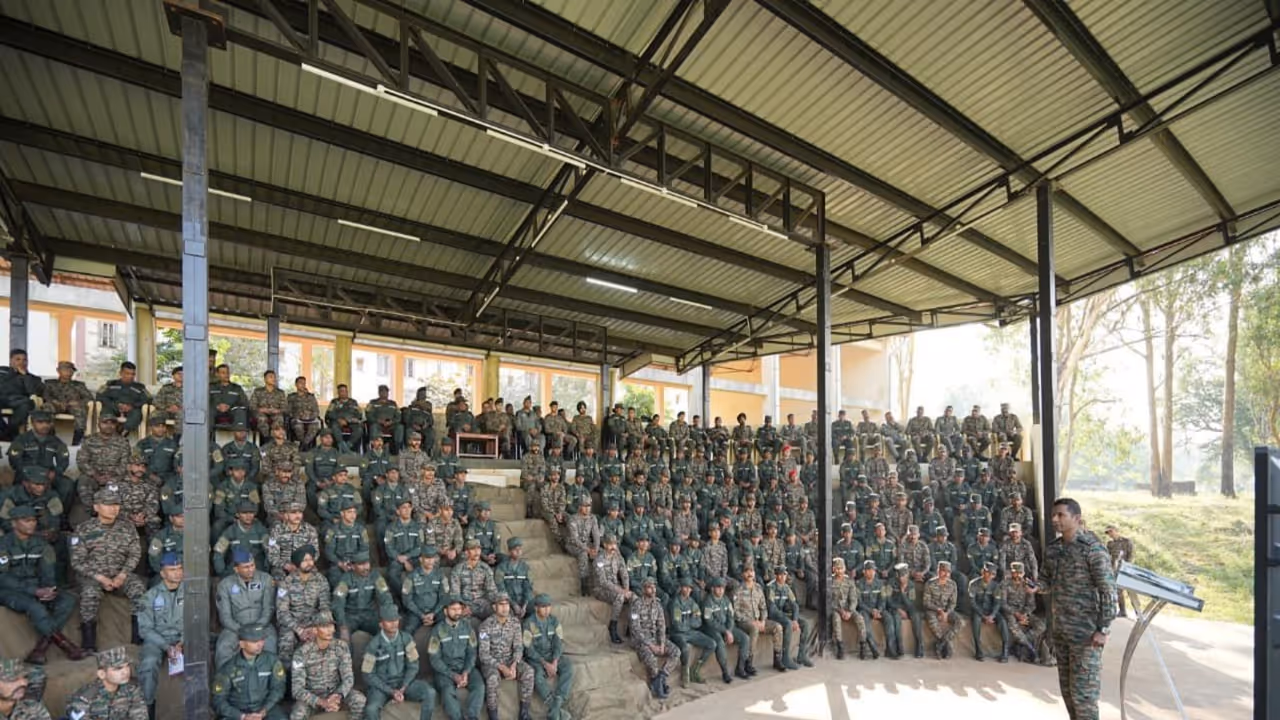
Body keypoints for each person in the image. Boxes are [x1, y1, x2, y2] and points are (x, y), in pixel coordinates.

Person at [1040, 498, 1116, 720]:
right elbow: (1046, 582)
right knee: (1069, 695)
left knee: (1084, 698)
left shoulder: (1093, 550)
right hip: (1062, 633)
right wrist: (1034, 586)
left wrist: (1103, 629)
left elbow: (1108, 591)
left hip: (1086, 636)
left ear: (1077, 518)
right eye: (1053, 515)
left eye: (1061, 515)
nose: (1055, 519)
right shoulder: (1054, 550)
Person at [0, 505, 84, 663]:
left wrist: (49, 590)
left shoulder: (42, 544)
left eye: (33, 520)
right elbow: (3, 578)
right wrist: (34, 591)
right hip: (9, 590)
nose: (32, 524)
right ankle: (67, 646)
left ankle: (40, 649)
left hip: (36, 588)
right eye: (26, 520)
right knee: (35, 607)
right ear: (13, 524)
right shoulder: (3, 545)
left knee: (68, 600)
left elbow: (48, 572)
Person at [70, 486, 146, 652]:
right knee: (90, 593)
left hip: (120, 574)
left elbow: (134, 554)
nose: (114, 508)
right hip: (93, 577)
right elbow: (77, 561)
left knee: (138, 588)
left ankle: (138, 637)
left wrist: (122, 575)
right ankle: (88, 643)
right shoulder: (84, 529)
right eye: (108, 504)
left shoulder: (127, 528)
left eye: (117, 504)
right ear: (96, 507)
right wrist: (100, 578)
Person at [361, 604, 437, 720]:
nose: (394, 623)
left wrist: (404, 685)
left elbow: (413, 665)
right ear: (381, 624)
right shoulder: (373, 645)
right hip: (382, 687)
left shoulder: (406, 639)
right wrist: (390, 691)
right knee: (371, 709)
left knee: (430, 692)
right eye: (389, 620)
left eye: (396, 620)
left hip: (404, 683)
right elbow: (368, 675)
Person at [291, 611, 366, 720]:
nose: (330, 630)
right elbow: (297, 689)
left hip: (336, 693)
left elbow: (348, 678)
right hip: (314, 697)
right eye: (325, 626)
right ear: (315, 630)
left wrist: (338, 696)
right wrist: (322, 702)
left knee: (360, 700)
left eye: (331, 626)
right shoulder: (301, 653)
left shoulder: (341, 647)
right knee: (297, 715)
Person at [136, 552, 184, 708]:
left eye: (179, 568)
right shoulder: (149, 597)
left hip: (185, 637)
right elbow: (145, 630)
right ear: (162, 573)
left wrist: (182, 642)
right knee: (149, 663)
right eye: (172, 569)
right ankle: (147, 709)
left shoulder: (192, 593)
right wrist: (166, 646)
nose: (177, 572)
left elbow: (197, 621)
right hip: (157, 640)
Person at [216, 549, 278, 669]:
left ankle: (268, 680)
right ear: (236, 569)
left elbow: (268, 609)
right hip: (236, 628)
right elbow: (225, 616)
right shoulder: (225, 585)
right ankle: (224, 681)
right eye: (246, 567)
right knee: (223, 647)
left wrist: (257, 628)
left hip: (261, 625)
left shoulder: (266, 579)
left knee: (270, 643)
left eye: (252, 565)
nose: (251, 569)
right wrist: (241, 630)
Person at [212, 624, 288, 720]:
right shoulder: (228, 668)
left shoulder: (272, 661)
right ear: (242, 644)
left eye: (262, 640)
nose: (260, 644)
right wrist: (242, 716)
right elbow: (218, 701)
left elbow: (278, 688)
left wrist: (264, 710)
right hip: (238, 711)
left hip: (266, 709)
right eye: (254, 641)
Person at [477, 594, 534, 720]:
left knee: (529, 671)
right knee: (492, 679)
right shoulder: (485, 626)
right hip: (492, 663)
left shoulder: (515, 623)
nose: (504, 608)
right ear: (494, 607)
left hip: (510, 661)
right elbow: (484, 654)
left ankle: (524, 714)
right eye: (501, 605)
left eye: (507, 605)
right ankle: (493, 716)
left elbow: (518, 647)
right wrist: (502, 668)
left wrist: (514, 665)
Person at [428, 596, 484, 720]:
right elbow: (434, 659)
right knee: (447, 692)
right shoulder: (437, 630)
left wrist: (466, 672)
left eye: (459, 608)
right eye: (453, 609)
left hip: (464, 667)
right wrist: (453, 675)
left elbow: (472, 652)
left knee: (479, 686)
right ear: (445, 611)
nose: (457, 612)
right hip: (445, 671)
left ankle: (471, 716)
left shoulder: (468, 627)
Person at [523, 593, 574, 720]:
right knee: (537, 676)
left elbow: (559, 642)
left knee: (568, 666)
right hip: (537, 659)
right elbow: (528, 649)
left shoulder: (554, 621)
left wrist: (555, 662)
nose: (546, 610)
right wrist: (545, 664)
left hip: (552, 657)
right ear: (536, 608)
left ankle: (558, 700)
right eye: (543, 607)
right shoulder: (528, 623)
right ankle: (555, 708)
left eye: (548, 606)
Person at [276, 545, 330, 664]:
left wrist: (316, 628)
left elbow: (325, 608)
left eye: (310, 559)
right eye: (305, 560)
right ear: (297, 563)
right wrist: (299, 630)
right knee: (287, 641)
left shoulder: (321, 580)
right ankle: (288, 677)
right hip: (292, 624)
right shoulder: (286, 583)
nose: (309, 563)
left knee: (324, 639)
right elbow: (282, 612)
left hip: (314, 623)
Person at [64, 646, 147, 720]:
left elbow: (139, 715)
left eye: (127, 666)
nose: (125, 672)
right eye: (118, 668)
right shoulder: (85, 697)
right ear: (102, 674)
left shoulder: (133, 689)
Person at [631, 577, 681, 699]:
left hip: (655, 639)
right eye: (649, 587)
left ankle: (661, 678)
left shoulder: (657, 605)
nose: (653, 590)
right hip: (641, 641)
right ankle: (658, 684)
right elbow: (635, 629)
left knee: (676, 651)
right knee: (652, 660)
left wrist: (662, 643)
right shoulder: (636, 605)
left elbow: (661, 626)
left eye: (654, 587)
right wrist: (651, 645)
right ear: (643, 589)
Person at [40, 360, 93, 445]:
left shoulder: (79, 385)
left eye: (71, 370)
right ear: (58, 370)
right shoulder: (50, 383)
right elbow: (45, 396)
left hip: (72, 406)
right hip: (56, 405)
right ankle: (49, 437)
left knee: (80, 410)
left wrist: (78, 402)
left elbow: (89, 398)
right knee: (47, 407)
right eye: (65, 370)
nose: (68, 372)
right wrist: (55, 402)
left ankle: (77, 441)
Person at [593, 535, 633, 645]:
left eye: (614, 544)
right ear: (605, 545)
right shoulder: (599, 559)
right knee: (619, 597)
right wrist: (621, 591)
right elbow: (603, 582)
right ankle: (613, 626)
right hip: (600, 589)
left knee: (634, 598)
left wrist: (626, 588)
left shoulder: (618, 557)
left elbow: (624, 574)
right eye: (610, 544)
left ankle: (632, 627)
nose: (613, 547)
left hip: (617, 587)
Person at [828, 557, 870, 660]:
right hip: (837, 609)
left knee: (860, 619)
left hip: (849, 609)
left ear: (845, 568)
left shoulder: (849, 581)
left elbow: (853, 598)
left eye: (841, 568)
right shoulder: (830, 582)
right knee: (836, 620)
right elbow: (829, 601)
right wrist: (841, 611)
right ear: (833, 569)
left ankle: (863, 645)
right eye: (837, 568)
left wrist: (850, 612)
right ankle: (840, 646)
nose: (839, 571)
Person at [969, 561, 1009, 663]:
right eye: (987, 572)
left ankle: (1005, 651)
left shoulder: (995, 586)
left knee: (1003, 622)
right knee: (976, 621)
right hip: (978, 611)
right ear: (983, 572)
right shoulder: (974, 584)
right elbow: (972, 603)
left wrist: (992, 615)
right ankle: (978, 650)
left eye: (992, 574)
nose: (989, 575)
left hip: (991, 611)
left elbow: (997, 603)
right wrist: (983, 616)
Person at [402, 547, 447, 637]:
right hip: (417, 612)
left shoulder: (440, 575)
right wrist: (421, 615)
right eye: (427, 558)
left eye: (432, 558)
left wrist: (433, 613)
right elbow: (407, 600)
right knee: (407, 632)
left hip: (436, 611)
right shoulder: (411, 577)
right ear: (421, 559)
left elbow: (444, 597)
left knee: (446, 628)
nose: (430, 561)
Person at [97, 361, 152, 435]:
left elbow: (148, 399)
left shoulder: (140, 387)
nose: (130, 376)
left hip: (131, 410)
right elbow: (100, 395)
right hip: (113, 408)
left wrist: (133, 406)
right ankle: (108, 434)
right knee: (106, 411)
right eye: (127, 373)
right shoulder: (111, 384)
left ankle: (123, 432)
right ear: (121, 373)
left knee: (137, 413)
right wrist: (115, 405)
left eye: (133, 374)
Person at [0, 349, 43, 440]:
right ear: (11, 361)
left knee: (27, 404)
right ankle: (4, 433)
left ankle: (12, 432)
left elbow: (33, 392)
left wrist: (25, 376)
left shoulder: (33, 378)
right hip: (2, 398)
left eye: (24, 360)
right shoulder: (3, 372)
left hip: (18, 400)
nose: (21, 362)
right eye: (18, 359)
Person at [923, 560, 963, 659]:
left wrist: (946, 613)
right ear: (938, 571)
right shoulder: (930, 583)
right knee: (932, 620)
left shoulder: (952, 584)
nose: (945, 574)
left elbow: (953, 602)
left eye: (948, 572)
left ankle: (942, 643)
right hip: (933, 610)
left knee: (960, 622)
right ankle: (946, 645)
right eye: (943, 571)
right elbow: (926, 602)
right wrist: (939, 610)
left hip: (947, 611)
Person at [1105, 525, 1135, 618]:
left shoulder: (1127, 542)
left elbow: (1131, 555)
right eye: (1108, 532)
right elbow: (1108, 556)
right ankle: (1122, 611)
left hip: (1126, 570)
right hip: (1115, 570)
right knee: (1118, 591)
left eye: (1111, 531)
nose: (1110, 534)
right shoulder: (1110, 544)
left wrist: (1128, 567)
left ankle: (1138, 612)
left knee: (1131, 591)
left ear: (1116, 531)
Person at [287, 376, 322, 449]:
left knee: (315, 426)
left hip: (310, 419)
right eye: (300, 383)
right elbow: (288, 410)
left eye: (304, 383)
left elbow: (316, 411)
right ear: (296, 385)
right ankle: (305, 446)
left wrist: (310, 416)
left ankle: (303, 445)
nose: (303, 385)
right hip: (297, 419)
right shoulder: (291, 397)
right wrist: (298, 415)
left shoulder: (311, 397)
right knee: (298, 426)